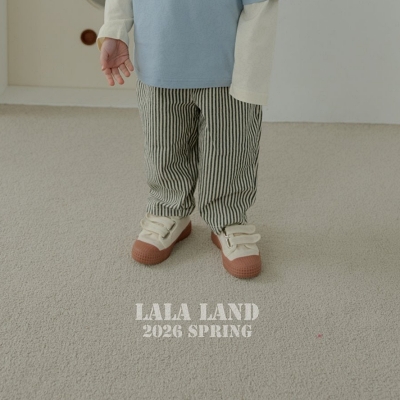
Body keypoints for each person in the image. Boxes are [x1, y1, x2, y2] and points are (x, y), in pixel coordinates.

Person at [97, 0, 279, 279]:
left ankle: (229, 218)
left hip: (229, 66)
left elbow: (260, 6)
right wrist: (114, 30)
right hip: (159, 57)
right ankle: (169, 209)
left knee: (230, 148)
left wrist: (251, 74)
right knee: (164, 144)